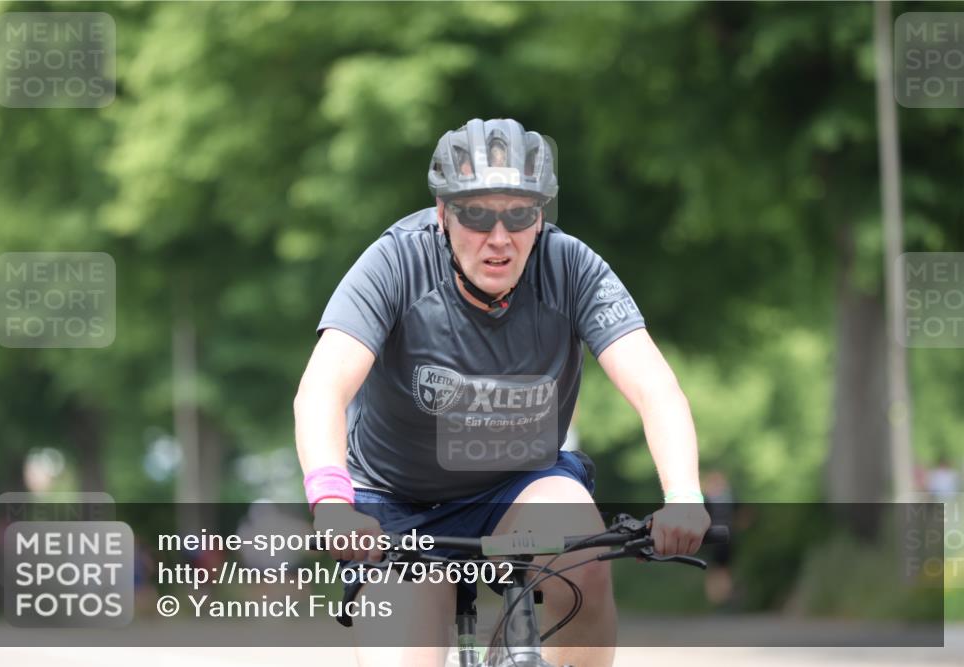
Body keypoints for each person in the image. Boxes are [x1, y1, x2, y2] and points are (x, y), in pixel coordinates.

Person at [294, 118, 710, 667]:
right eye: (475, 214)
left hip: (518, 486)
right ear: (443, 214)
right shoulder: (396, 262)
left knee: (581, 557)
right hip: (393, 506)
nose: (498, 237)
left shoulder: (572, 267)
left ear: (540, 217)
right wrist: (331, 506)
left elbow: (657, 388)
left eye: (519, 215)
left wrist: (684, 497)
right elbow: (322, 388)